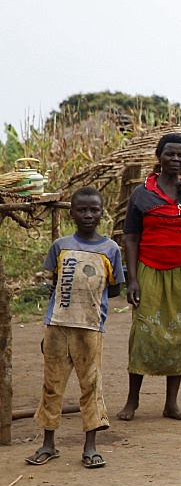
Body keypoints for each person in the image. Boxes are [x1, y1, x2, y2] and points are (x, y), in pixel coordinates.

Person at [117, 133, 181, 422]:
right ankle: (132, 401)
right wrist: (132, 279)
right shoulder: (142, 194)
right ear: (159, 157)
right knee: (144, 333)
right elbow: (131, 238)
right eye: (170, 154)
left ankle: (171, 404)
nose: (176, 159)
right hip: (149, 269)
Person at [25, 187, 125, 469]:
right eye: (82, 210)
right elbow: (54, 284)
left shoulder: (111, 249)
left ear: (102, 212)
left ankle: (90, 447)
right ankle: (48, 444)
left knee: (91, 385)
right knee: (51, 385)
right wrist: (48, 324)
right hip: (57, 326)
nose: (88, 215)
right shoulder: (60, 245)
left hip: (90, 328)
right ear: (72, 214)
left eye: (94, 209)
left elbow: (114, 288)